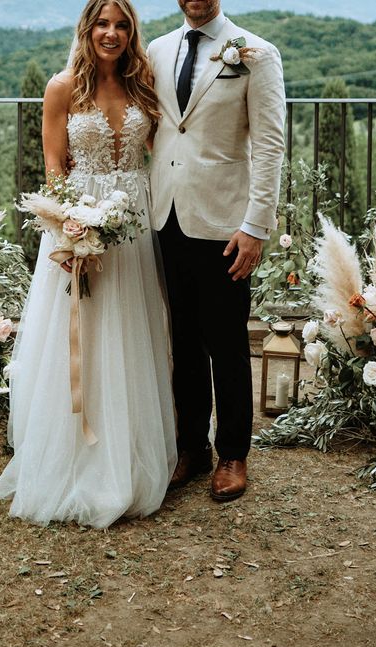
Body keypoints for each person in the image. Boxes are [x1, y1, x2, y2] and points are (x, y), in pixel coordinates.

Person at [0, 0, 177, 529]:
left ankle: (131, 451)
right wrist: (72, 226)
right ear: (87, 28)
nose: (112, 33)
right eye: (103, 23)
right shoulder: (62, 88)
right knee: (80, 332)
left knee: (131, 331)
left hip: (135, 226)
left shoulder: (144, 86)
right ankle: (73, 456)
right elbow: (54, 164)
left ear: (131, 33)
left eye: (122, 25)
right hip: (81, 226)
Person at [148, 0, 286, 501]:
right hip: (164, 217)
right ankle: (191, 447)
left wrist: (256, 226)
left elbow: (270, 146)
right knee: (180, 340)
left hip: (226, 225)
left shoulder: (257, 54)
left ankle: (232, 453)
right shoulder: (157, 51)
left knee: (227, 342)